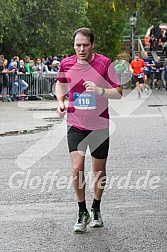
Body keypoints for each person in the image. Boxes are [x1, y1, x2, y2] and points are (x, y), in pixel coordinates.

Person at [56, 27, 122, 233]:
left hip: (100, 125)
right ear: (73, 45)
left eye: (85, 45)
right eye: (78, 45)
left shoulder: (104, 63)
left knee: (98, 170)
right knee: (77, 169)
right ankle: (81, 210)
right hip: (75, 123)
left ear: (92, 44)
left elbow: (119, 92)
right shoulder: (66, 63)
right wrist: (60, 101)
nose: (81, 49)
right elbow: (60, 83)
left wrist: (101, 90)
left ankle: (96, 207)